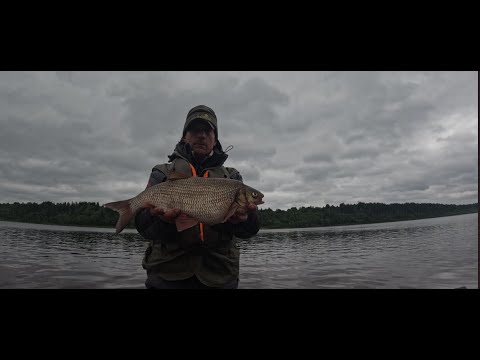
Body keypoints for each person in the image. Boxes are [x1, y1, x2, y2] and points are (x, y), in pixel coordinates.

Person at [135, 105, 260, 289]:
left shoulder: (232, 177)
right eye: (195, 130)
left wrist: (243, 220)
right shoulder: (163, 172)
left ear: (215, 138)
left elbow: (251, 230)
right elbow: (142, 227)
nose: (202, 135)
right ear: (185, 135)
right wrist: (163, 221)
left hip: (219, 275)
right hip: (167, 275)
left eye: (208, 131)